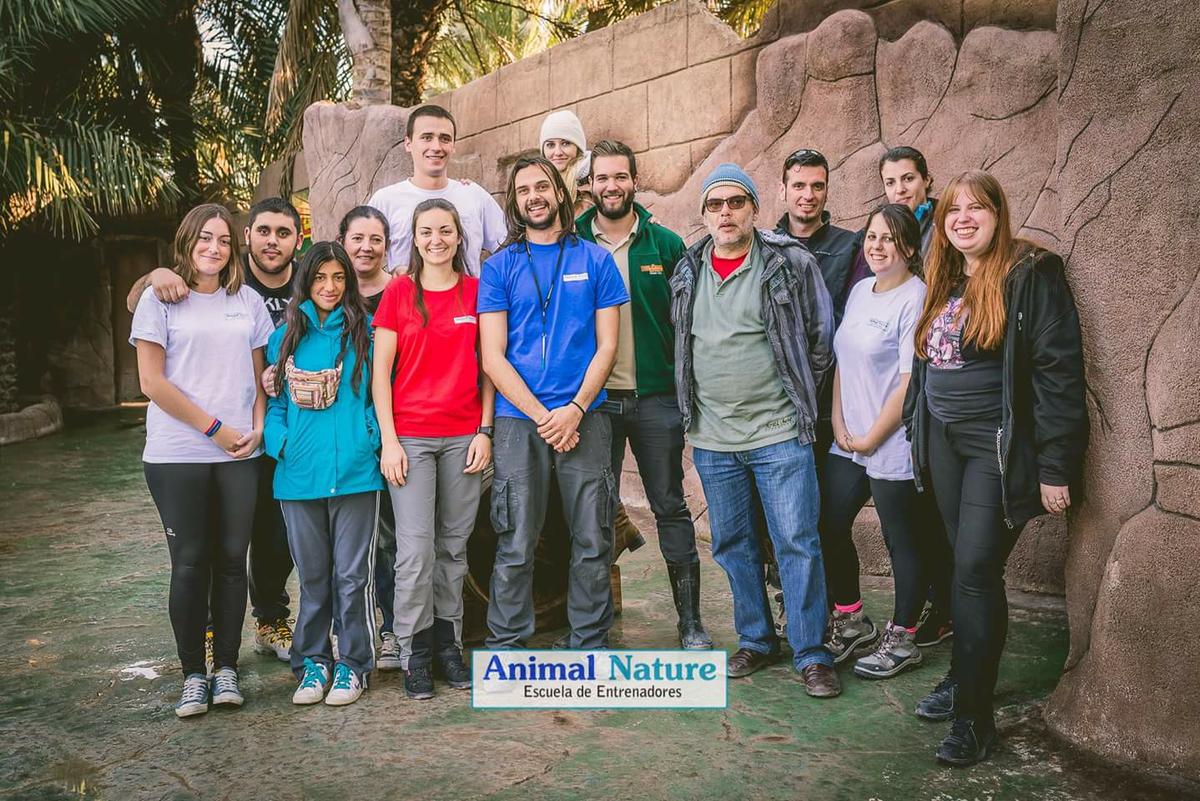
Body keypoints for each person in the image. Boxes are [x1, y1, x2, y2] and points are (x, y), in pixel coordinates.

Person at [903, 170, 1087, 765]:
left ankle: (974, 719)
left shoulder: (1030, 273)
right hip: (943, 442)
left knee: (976, 569)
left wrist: (1056, 465)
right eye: (953, 210)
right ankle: (966, 674)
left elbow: (1058, 373)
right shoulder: (945, 275)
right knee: (963, 566)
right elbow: (926, 367)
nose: (963, 219)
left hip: (995, 446)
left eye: (976, 208)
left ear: (998, 214)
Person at [670, 163, 839, 697]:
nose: (726, 213)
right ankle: (757, 639)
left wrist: (796, 399)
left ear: (754, 209)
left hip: (778, 433)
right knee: (732, 544)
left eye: (736, 202)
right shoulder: (687, 269)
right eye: (715, 204)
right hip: (713, 439)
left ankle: (812, 652)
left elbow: (820, 339)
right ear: (703, 214)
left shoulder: (788, 262)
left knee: (797, 542)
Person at [128, 197, 304, 666]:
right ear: (248, 238)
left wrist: (261, 428)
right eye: (263, 231)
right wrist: (155, 274)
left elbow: (260, 372)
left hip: (265, 439)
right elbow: (150, 373)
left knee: (264, 542)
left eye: (283, 232)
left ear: (298, 239)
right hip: (194, 445)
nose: (272, 240)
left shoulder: (296, 284)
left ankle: (263, 627)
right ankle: (203, 647)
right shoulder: (181, 291)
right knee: (196, 553)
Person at [478, 155, 629, 650]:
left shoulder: (596, 260)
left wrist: (575, 409)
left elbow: (608, 346)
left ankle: (589, 640)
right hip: (519, 420)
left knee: (592, 535)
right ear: (514, 202)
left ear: (559, 192)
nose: (534, 197)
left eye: (541, 186)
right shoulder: (499, 268)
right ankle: (506, 643)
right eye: (523, 190)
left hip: (585, 415)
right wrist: (545, 417)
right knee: (516, 537)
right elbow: (493, 356)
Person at [576, 139, 712, 650]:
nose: (611, 186)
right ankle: (593, 624)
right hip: (594, 404)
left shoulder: (666, 245)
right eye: (602, 177)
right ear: (590, 184)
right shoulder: (572, 243)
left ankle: (690, 622)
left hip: (656, 400)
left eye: (620, 176)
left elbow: (690, 324)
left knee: (669, 506)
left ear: (635, 180)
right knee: (595, 510)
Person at [372, 199, 495, 698]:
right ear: (415, 238)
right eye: (426, 231)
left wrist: (485, 431)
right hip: (412, 440)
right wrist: (390, 441)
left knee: (453, 548)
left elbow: (489, 368)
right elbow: (380, 374)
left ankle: (449, 645)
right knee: (415, 551)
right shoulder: (399, 292)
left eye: (445, 230)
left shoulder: (476, 292)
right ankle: (414, 651)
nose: (436, 239)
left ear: (459, 236)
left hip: (464, 438)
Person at [264, 241, 384, 708]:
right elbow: (274, 403)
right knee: (313, 578)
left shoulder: (368, 333)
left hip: (356, 474)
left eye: (338, 277)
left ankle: (353, 664)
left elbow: (379, 395)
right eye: (319, 278)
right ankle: (312, 661)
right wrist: (281, 442)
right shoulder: (284, 337)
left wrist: (369, 438)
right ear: (306, 281)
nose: (329, 287)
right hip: (298, 476)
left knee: (352, 577)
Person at [817, 203, 931, 679]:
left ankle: (903, 638)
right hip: (850, 438)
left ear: (910, 247)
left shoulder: (916, 297)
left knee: (901, 540)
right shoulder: (862, 289)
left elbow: (908, 383)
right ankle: (851, 619)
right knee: (827, 522)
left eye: (889, 238)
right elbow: (842, 360)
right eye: (872, 236)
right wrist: (839, 422)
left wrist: (870, 437)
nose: (877, 246)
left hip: (892, 441)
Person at [368, 104, 507, 276]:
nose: (436, 146)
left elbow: (507, 251)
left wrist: (491, 286)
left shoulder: (473, 195)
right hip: (405, 293)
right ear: (408, 144)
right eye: (427, 137)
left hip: (468, 293)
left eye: (445, 139)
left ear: (453, 145)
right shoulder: (385, 200)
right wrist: (390, 278)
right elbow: (362, 255)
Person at [540, 110, 591, 216]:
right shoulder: (538, 182)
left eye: (565, 143)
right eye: (550, 145)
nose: (558, 152)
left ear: (578, 147)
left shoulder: (594, 181)